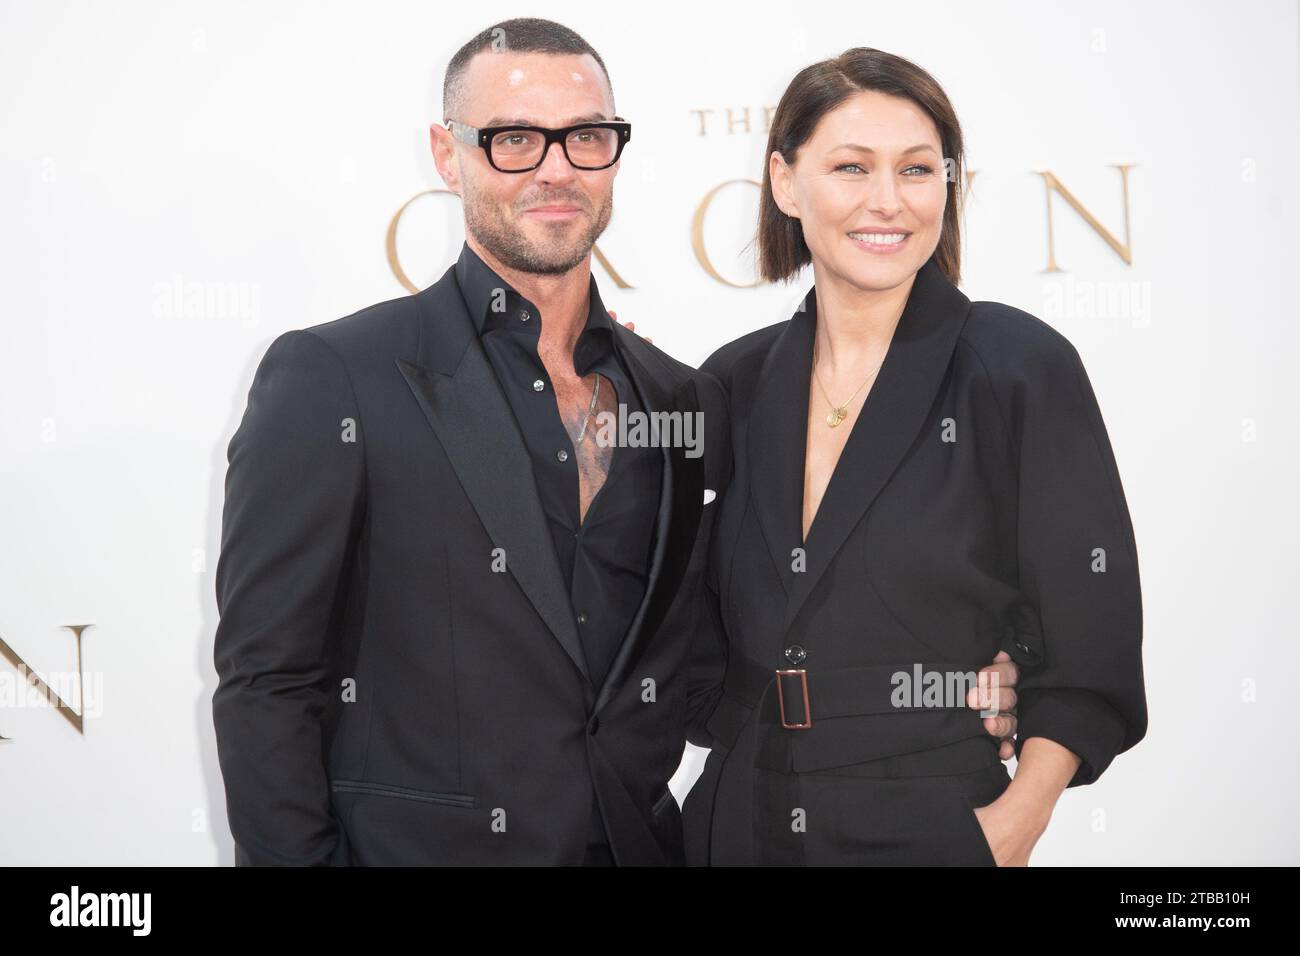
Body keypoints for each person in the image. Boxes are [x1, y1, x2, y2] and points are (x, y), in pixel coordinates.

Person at [680, 47, 1147, 866]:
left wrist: (1012, 826)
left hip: (931, 818)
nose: (888, 202)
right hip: (740, 817)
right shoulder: (733, 381)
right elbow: (688, 632)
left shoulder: (1016, 367)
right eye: (852, 168)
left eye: (918, 169)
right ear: (787, 184)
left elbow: (1092, 648)